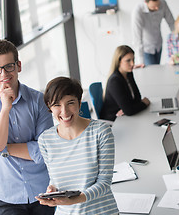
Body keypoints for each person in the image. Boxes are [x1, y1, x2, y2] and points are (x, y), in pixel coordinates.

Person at [0, 39, 55, 215]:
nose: (3, 74)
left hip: (44, 191)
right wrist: (5, 109)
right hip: (7, 196)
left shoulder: (39, 100)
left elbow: (44, 151)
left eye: (9, 66)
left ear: (18, 66)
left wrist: (4, 148)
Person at [36, 77, 119, 215]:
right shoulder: (45, 140)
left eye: (70, 103)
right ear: (49, 107)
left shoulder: (101, 131)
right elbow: (56, 178)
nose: (64, 111)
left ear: (79, 103)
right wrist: (52, 189)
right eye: (57, 105)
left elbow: (104, 183)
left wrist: (76, 199)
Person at [100, 45, 150, 121]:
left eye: (133, 59)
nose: (132, 63)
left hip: (125, 117)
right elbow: (129, 111)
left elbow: (137, 98)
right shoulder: (115, 81)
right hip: (114, 119)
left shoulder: (128, 73)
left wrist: (131, 107)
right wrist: (144, 103)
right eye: (128, 60)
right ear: (119, 61)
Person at [132, 0, 174, 66]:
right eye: (154, 6)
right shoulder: (138, 11)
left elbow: (171, 23)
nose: (157, 8)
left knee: (157, 69)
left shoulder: (163, 3)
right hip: (146, 48)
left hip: (158, 44)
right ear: (146, 3)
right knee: (152, 73)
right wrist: (140, 61)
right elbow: (137, 37)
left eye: (158, 5)